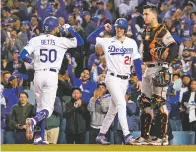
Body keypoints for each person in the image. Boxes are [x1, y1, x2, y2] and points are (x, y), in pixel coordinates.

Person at [18, 16, 84, 144]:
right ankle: (33, 121)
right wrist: (70, 29)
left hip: (38, 75)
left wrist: (32, 61)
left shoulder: (35, 39)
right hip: (51, 75)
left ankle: (38, 138)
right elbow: (80, 42)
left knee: (40, 108)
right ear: (54, 28)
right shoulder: (60, 40)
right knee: (47, 110)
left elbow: (22, 55)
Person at [87, 18, 142, 145]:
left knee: (113, 110)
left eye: (122, 28)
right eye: (117, 27)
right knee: (122, 104)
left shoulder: (131, 42)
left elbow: (137, 61)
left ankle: (101, 134)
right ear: (115, 28)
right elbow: (89, 39)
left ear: (125, 29)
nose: (119, 30)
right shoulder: (108, 41)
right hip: (111, 78)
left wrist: (139, 78)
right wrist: (101, 28)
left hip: (125, 79)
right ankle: (127, 135)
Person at [134, 3, 178, 145]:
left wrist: (167, 64)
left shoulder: (162, 31)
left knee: (159, 102)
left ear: (154, 15)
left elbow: (174, 48)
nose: (144, 16)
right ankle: (145, 136)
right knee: (144, 101)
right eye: (143, 14)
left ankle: (162, 137)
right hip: (148, 68)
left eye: (146, 14)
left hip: (160, 67)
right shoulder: (146, 30)